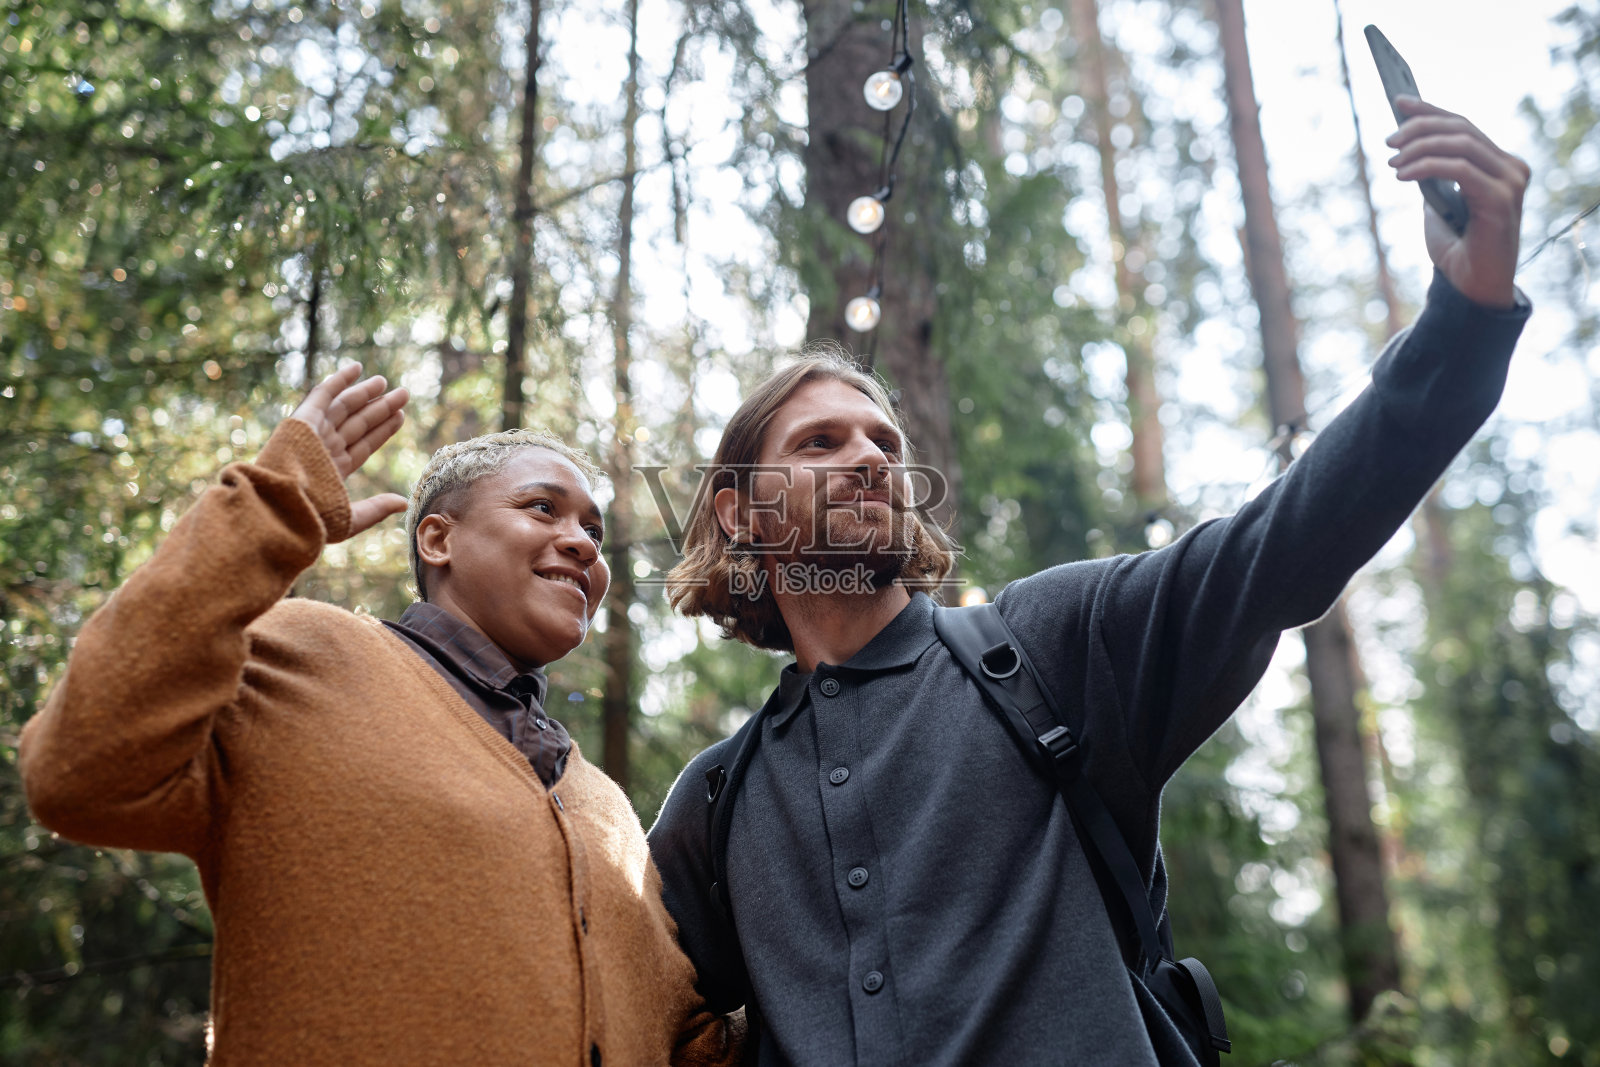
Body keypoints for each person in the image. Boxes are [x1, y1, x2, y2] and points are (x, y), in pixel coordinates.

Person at [646, 99, 1531, 1065]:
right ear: (740, 513)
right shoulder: (714, 804)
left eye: (886, 445)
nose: (869, 459)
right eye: (820, 442)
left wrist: (1465, 321)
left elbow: (1281, 546)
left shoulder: (1049, 646)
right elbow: (620, 1009)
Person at [21, 366, 741, 1066]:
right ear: (438, 540)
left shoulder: (606, 807)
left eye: (594, 530)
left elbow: (679, 1039)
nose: (584, 543)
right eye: (542, 508)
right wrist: (270, 507)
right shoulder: (307, 652)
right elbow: (79, 770)